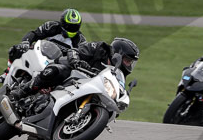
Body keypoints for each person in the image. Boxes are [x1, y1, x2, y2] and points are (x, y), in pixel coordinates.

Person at [8, 35, 140, 104]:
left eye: (131, 62)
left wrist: (121, 99)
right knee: (57, 71)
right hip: (70, 71)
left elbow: (116, 90)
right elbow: (75, 51)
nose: (129, 65)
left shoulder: (117, 73)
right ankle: (22, 91)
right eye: (127, 60)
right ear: (118, 54)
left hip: (82, 88)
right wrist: (77, 61)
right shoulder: (99, 48)